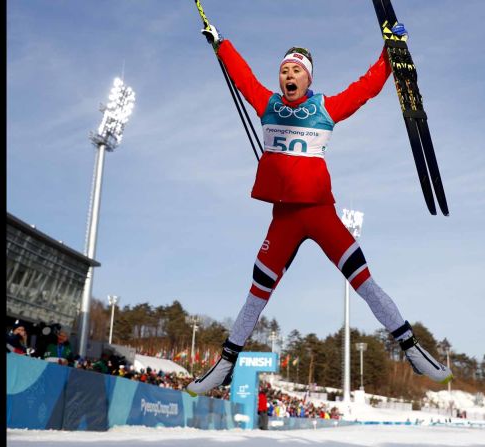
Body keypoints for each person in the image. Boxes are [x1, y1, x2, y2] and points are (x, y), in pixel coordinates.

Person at [186, 19, 451, 396]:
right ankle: (226, 363)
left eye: (295, 70)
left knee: (365, 282)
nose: (288, 75)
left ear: (308, 78)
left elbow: (365, 89)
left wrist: (389, 53)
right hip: (285, 219)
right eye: (283, 70)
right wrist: (221, 44)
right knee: (256, 293)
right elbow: (242, 77)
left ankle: (410, 347)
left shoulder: (325, 108)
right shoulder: (268, 104)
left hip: (320, 214)